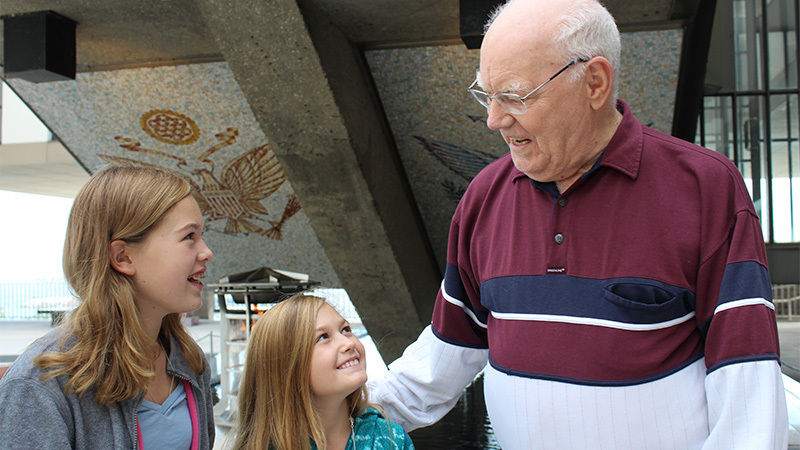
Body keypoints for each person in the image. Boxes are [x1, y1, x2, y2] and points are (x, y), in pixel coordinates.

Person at [367, 0, 789, 448]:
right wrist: (351, 413)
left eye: (514, 95)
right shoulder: (484, 196)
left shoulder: (704, 187)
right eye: (486, 95)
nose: (494, 119)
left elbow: (747, 382)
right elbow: (447, 349)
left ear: (594, 82)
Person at [0, 162, 216, 449]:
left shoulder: (190, 361)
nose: (207, 252)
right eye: (189, 236)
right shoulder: (40, 385)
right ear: (123, 257)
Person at [232, 293, 414, 449]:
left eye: (345, 329)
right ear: (287, 368)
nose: (348, 343)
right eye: (323, 337)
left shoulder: (391, 440)